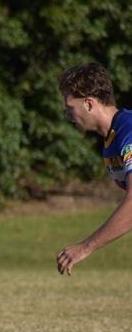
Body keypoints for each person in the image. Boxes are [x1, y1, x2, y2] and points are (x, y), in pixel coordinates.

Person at [57, 62, 132, 274]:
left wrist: (86, 247)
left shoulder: (129, 129)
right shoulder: (112, 140)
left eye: (70, 108)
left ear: (89, 104)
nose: (68, 115)